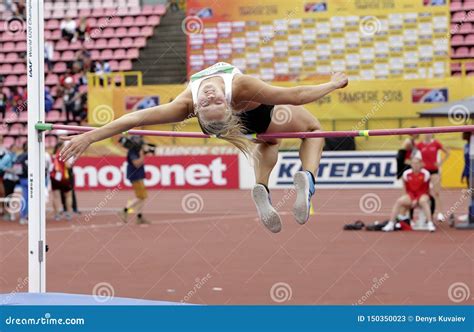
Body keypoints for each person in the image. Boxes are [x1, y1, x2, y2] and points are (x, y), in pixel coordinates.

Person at [59, 62, 349, 233]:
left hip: (239, 123)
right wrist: (333, 84)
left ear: (198, 108)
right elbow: (295, 95)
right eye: (212, 102)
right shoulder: (241, 87)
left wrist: (89, 136)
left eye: (209, 101)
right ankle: (307, 179)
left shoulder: (187, 102)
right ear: (225, 106)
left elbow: (135, 117)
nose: (210, 96)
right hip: (252, 114)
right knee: (313, 129)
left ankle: (261, 185)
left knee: (269, 141)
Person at [383, 154, 436, 232]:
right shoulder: (406, 174)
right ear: (411, 164)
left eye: (417, 163)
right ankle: (391, 223)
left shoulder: (426, 174)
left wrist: (416, 200)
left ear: (420, 164)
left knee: (423, 201)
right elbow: (406, 190)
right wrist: (412, 199)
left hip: (422, 194)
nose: (415, 165)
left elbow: (425, 190)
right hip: (411, 195)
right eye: (413, 163)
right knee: (399, 201)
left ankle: (429, 223)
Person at [417, 133, 450, 222]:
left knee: (436, 193)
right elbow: (413, 156)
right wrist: (420, 163)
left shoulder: (436, 143)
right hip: (424, 172)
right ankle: (426, 214)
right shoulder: (419, 145)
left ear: (432, 134)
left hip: (434, 171)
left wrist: (440, 163)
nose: (427, 135)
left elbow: (447, 152)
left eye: (429, 133)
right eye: (426, 133)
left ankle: (439, 213)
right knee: (424, 193)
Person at [119, 136, 149, 224]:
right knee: (142, 197)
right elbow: (137, 164)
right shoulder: (132, 152)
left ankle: (139, 217)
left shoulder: (134, 150)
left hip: (138, 175)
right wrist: (142, 154)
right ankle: (125, 210)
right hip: (136, 176)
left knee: (141, 198)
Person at [50, 142, 73, 221]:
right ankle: (69, 213)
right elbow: (68, 166)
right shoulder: (64, 155)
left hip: (54, 178)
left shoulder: (52, 156)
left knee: (55, 196)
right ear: (61, 147)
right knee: (68, 196)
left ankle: (56, 214)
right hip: (64, 178)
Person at [12, 143, 28, 225]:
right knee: (29, 198)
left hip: (23, 179)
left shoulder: (19, 156)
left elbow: (15, 168)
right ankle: (25, 216)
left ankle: (24, 216)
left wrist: (19, 176)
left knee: (25, 198)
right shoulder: (32, 155)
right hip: (30, 179)